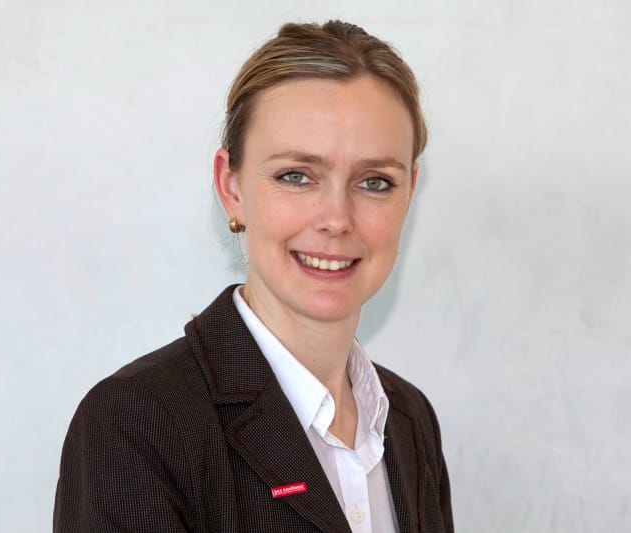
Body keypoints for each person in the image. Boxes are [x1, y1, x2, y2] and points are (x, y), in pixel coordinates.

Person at [54, 20, 453, 533]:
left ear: (410, 191)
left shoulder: (409, 420)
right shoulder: (137, 423)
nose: (336, 219)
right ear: (232, 188)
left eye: (375, 182)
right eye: (296, 176)